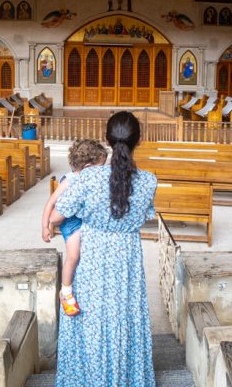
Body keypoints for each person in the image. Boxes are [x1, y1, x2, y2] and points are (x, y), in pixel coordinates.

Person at [50, 111, 157, 386]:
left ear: (105, 140)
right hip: (127, 260)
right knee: (125, 317)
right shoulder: (148, 181)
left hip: (94, 256)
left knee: (91, 319)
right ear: (140, 141)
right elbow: (144, 214)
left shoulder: (89, 178)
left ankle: (88, 378)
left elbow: (58, 215)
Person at [41, 138, 107, 316]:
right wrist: (45, 227)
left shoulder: (91, 180)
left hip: (82, 219)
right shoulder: (70, 180)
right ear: (87, 168)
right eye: (101, 167)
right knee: (74, 255)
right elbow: (50, 203)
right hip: (71, 223)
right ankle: (66, 292)